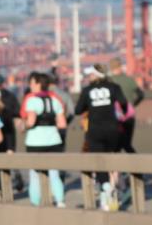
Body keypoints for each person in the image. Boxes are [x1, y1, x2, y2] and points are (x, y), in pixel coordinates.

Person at [75, 65, 129, 210]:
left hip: (95, 131)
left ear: (97, 75)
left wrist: (90, 105)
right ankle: (113, 188)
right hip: (113, 130)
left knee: (99, 162)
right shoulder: (114, 87)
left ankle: (106, 192)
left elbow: (78, 110)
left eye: (91, 75)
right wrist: (122, 114)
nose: (89, 77)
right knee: (112, 160)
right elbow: (124, 103)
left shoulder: (87, 90)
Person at [22, 72, 67, 207]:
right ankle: (60, 201)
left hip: (35, 141)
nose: (30, 86)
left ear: (38, 84)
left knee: (34, 174)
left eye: (32, 83)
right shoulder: (55, 100)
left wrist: (23, 126)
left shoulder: (32, 101)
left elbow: (30, 122)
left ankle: (35, 203)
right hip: (54, 140)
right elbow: (62, 124)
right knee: (54, 173)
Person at [108, 57, 143, 154]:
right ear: (120, 66)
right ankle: (135, 162)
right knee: (127, 143)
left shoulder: (109, 81)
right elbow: (141, 95)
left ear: (111, 68)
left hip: (114, 116)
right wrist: (133, 104)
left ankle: (116, 164)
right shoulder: (129, 80)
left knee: (115, 145)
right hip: (129, 115)